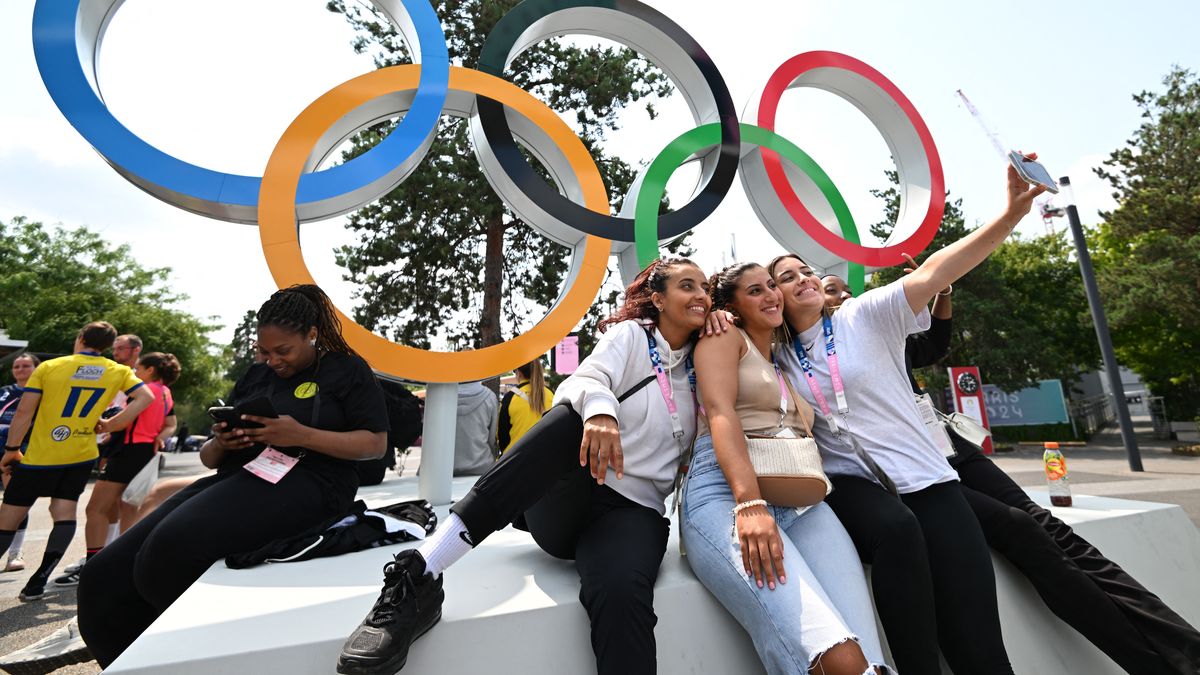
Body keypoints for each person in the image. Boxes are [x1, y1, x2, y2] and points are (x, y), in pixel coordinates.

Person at [337, 257, 712, 675]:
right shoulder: (632, 336)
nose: (700, 295)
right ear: (657, 299)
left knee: (622, 593)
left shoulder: (709, 358)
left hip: (632, 514)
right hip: (570, 493)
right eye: (687, 286)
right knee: (569, 420)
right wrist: (601, 411)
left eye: (705, 288)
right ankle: (421, 572)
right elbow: (586, 379)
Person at [825, 264, 1200, 674]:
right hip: (915, 473)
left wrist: (942, 293)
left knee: (1050, 529)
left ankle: (1184, 649)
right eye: (831, 290)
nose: (843, 296)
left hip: (949, 448)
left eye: (845, 289)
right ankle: (1166, 661)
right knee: (1022, 530)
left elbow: (932, 345)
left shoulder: (873, 329)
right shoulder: (809, 358)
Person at [766, 160, 1051, 674]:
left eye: (805, 270)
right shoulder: (775, 355)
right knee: (917, 642)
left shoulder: (864, 316)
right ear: (774, 298)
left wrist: (1009, 216)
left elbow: (937, 270)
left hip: (931, 486)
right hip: (857, 495)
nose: (804, 278)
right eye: (787, 278)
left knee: (980, 648)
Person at [76, 284, 390, 667]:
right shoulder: (257, 376)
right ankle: (129, 662)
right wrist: (223, 441)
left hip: (314, 482)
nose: (274, 361)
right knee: (101, 576)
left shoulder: (346, 369)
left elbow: (374, 444)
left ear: (311, 334)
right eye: (265, 351)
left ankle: (195, 657)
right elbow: (208, 457)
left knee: (168, 552)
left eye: (283, 351)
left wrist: (300, 435)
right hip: (241, 475)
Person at [683, 263, 891, 675]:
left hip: (801, 498)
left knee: (871, 659)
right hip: (729, 492)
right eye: (755, 291)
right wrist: (749, 504)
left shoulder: (781, 356)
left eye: (771, 286)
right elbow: (720, 412)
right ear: (732, 308)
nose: (771, 295)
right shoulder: (724, 336)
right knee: (837, 657)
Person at [0, 322, 153, 601]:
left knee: (8, 518)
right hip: (81, 454)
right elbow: (146, 396)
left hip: (42, 455)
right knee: (64, 512)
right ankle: (38, 582)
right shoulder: (117, 370)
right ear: (107, 345)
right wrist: (112, 424)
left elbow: (23, 412)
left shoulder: (50, 367)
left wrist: (12, 449)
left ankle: (36, 579)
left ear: (81, 338)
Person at [54, 352, 180, 587]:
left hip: (128, 451)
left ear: (150, 370)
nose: (135, 373)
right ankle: (121, 562)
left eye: (138, 369)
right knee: (126, 507)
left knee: (96, 509)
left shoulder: (146, 390)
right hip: (144, 451)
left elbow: (122, 421)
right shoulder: (165, 392)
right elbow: (170, 424)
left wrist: (102, 425)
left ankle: (94, 566)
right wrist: (159, 438)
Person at [0, 353, 40, 572]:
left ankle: (15, 554)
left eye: (26, 365)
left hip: (20, 451)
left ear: (36, 368)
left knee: (14, 501)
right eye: (17, 366)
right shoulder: (4, 392)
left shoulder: (43, 394)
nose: (20, 369)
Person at [497, 358, 553, 455]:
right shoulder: (551, 394)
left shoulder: (510, 397)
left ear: (519, 373)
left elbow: (502, 436)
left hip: (515, 458)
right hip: (544, 456)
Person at [453, 381, 498, 475]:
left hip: (444, 469)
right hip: (482, 467)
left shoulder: (439, 395)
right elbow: (492, 439)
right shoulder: (490, 397)